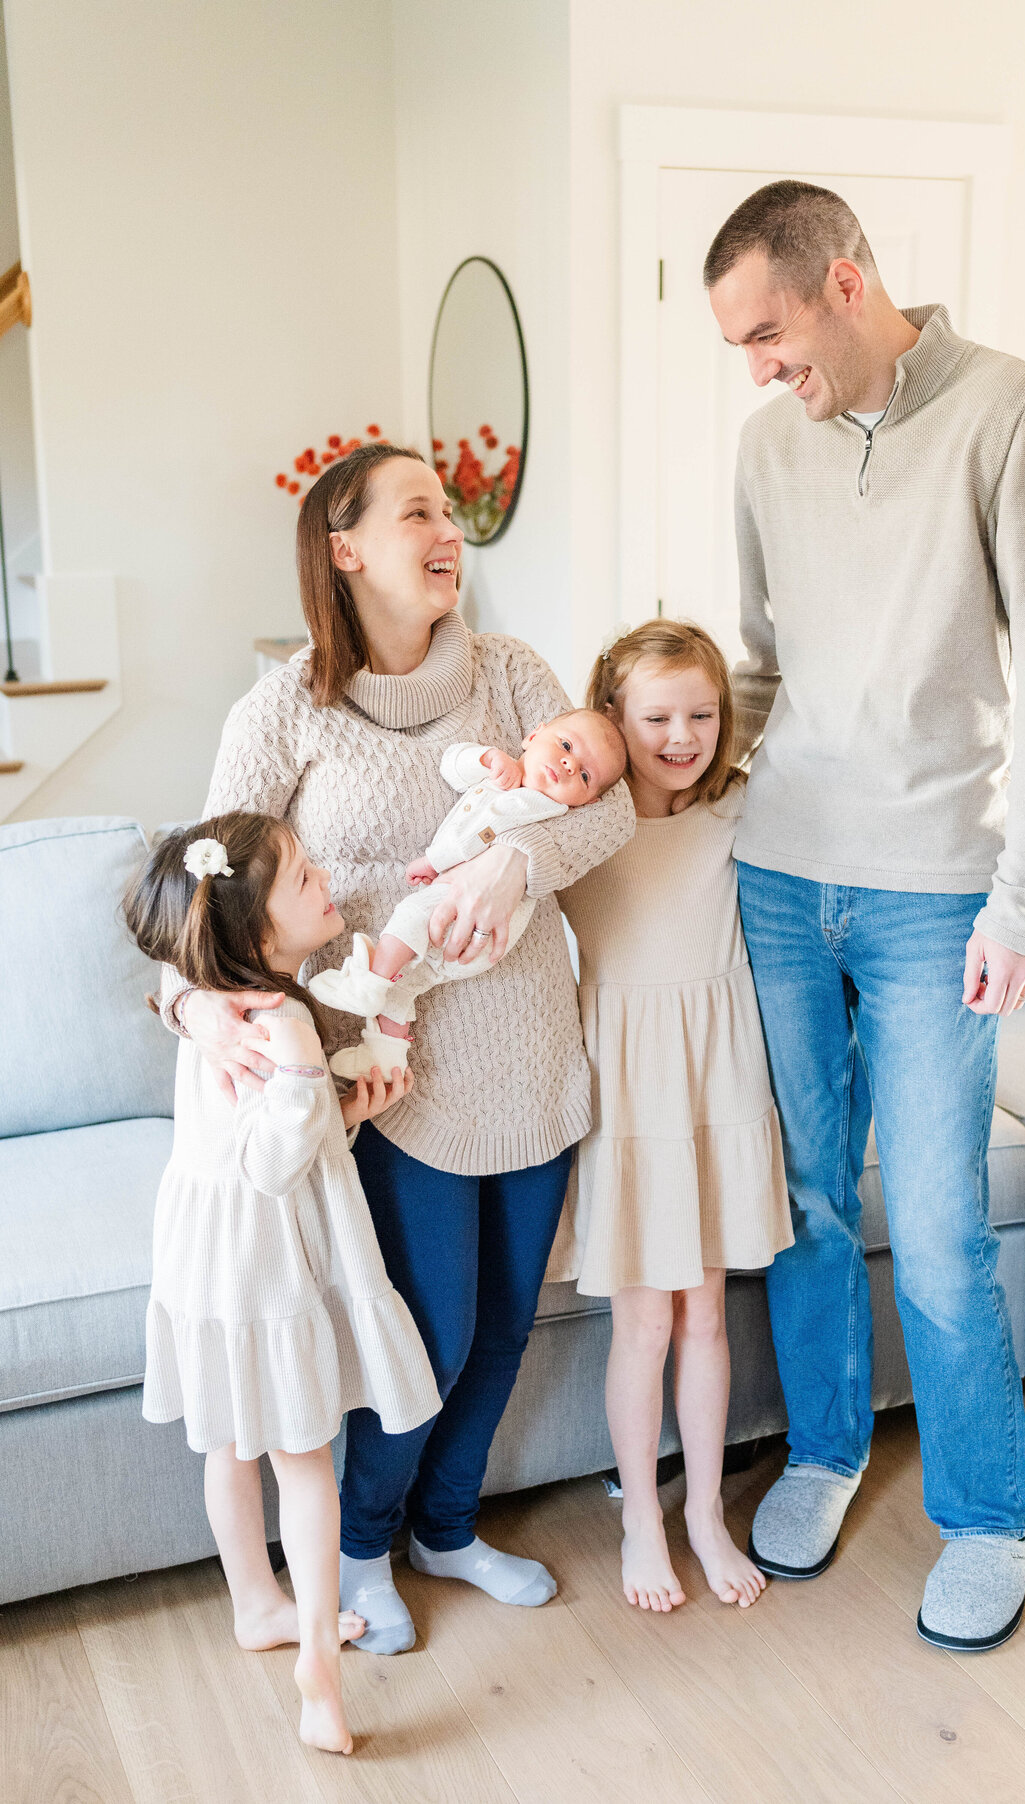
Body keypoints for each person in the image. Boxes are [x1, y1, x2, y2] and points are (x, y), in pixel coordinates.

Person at [704, 180, 1025, 1651]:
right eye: (740, 345)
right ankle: (823, 1446)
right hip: (781, 869)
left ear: (847, 284)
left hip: (943, 893)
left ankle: (987, 1511)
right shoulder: (765, 445)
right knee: (808, 1200)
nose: (758, 368)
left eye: (770, 332)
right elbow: (754, 668)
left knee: (936, 1227)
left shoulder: (1006, 409)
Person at [160, 441, 634, 1656]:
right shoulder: (283, 711)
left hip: (530, 1053)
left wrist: (516, 857)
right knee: (432, 1329)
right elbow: (198, 897)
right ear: (345, 545)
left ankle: (450, 1526)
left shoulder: (515, 674)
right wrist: (193, 1006)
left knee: (514, 1325)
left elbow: (614, 803)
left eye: (452, 512)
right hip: (392, 1079)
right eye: (418, 510)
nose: (448, 531)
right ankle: (364, 1545)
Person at [126, 814, 442, 1755]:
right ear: (260, 934)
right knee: (305, 1458)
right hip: (263, 1250)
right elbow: (271, 1165)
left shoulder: (213, 996)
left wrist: (339, 1107)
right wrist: (317, 1080)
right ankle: (317, 1663)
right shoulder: (288, 1017)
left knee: (229, 1441)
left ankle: (254, 1603)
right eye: (305, 877)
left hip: (199, 1247)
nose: (327, 880)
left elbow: (255, 1138)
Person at [547, 620, 792, 1614]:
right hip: (631, 1087)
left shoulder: (739, 810)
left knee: (704, 1311)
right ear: (613, 717)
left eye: (700, 713)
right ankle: (640, 1515)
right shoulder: (578, 826)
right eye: (656, 716)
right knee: (644, 1316)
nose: (681, 734)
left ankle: (701, 1512)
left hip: (716, 1077)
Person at [310, 712, 628, 1069]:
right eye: (566, 745)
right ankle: (385, 1061)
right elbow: (451, 767)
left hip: (476, 920)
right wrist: (486, 758)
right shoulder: (507, 776)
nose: (569, 764)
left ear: (587, 802)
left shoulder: (541, 804)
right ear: (534, 735)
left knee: (409, 915)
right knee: (405, 987)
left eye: (585, 776)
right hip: (468, 929)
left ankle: (366, 984)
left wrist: (433, 861)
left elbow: (482, 833)